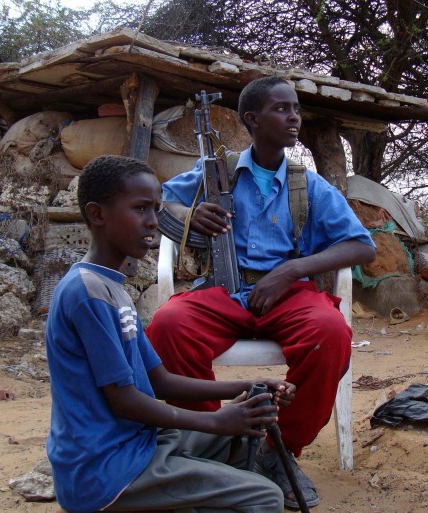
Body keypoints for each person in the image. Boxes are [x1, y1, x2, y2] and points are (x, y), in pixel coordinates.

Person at [146, 77, 377, 509]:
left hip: (288, 294)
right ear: (252, 120)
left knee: (330, 331)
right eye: (281, 109)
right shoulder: (216, 171)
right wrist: (192, 214)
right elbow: (162, 203)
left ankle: (278, 451)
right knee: (168, 325)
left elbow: (362, 245)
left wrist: (292, 270)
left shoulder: (308, 185)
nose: (294, 117)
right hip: (221, 290)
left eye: (296, 109)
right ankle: (216, 442)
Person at [45, 155, 294, 513]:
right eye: (141, 209)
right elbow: (125, 401)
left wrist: (247, 387)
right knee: (265, 497)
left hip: (136, 444)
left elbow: (159, 380)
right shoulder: (87, 294)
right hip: (105, 469)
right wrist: (214, 420)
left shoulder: (113, 289)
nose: (152, 222)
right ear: (98, 214)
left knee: (241, 435)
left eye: (157, 209)